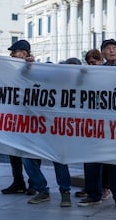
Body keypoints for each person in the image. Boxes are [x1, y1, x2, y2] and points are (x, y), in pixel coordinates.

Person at [78, 39, 116, 210]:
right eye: (108, 49)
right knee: (91, 161)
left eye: (115, 48)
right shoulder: (94, 72)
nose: (112, 51)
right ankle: (93, 194)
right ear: (103, 53)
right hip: (95, 124)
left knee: (115, 163)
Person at [23, 57, 75, 207]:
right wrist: (28, 66)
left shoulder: (65, 86)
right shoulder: (35, 84)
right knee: (27, 159)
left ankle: (65, 192)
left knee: (59, 160)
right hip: (37, 129)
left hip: (57, 130)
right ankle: (42, 190)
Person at [75, 49, 113, 201]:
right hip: (90, 124)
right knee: (90, 159)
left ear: (100, 61)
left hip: (105, 124)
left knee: (105, 161)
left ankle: (105, 187)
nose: (92, 65)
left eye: (94, 62)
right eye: (89, 63)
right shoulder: (85, 76)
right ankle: (92, 189)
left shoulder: (107, 74)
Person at [1, 40, 36, 195]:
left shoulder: (35, 68)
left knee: (32, 151)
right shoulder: (10, 69)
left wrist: (31, 65)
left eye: (14, 52)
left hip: (30, 117)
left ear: (24, 53)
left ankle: (34, 182)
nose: (11, 55)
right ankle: (18, 182)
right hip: (14, 116)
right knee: (13, 151)